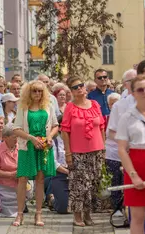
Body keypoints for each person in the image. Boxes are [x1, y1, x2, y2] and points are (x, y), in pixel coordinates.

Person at [116, 75, 145, 234]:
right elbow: (122, 149)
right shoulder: (127, 117)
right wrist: (134, 175)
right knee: (137, 218)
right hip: (135, 167)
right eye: (140, 89)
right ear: (133, 93)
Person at [13, 80, 59, 226]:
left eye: (40, 91)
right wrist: (31, 138)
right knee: (22, 179)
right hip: (27, 147)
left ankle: (38, 214)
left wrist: (50, 137)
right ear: (29, 92)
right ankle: (19, 214)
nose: (37, 94)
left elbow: (55, 126)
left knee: (40, 180)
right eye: (34, 91)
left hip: (44, 147)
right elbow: (16, 129)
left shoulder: (48, 107)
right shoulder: (23, 108)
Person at [61, 77, 105, 227]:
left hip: (96, 151)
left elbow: (102, 127)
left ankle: (88, 214)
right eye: (75, 87)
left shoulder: (95, 104)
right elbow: (65, 131)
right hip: (78, 152)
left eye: (81, 85)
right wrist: (68, 153)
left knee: (93, 184)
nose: (79, 88)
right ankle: (77, 215)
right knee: (79, 186)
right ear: (71, 92)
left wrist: (103, 148)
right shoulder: (70, 107)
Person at [106, 69, 137, 210]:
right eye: (132, 80)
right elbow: (110, 132)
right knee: (123, 189)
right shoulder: (120, 105)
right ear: (126, 84)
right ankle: (121, 213)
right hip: (120, 154)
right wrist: (126, 144)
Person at [0, 125, 18, 217]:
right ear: (5, 138)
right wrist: (11, 174)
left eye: (17, 137)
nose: (16, 140)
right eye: (14, 137)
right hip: (3, 183)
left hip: (19, 182)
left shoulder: (20, 148)